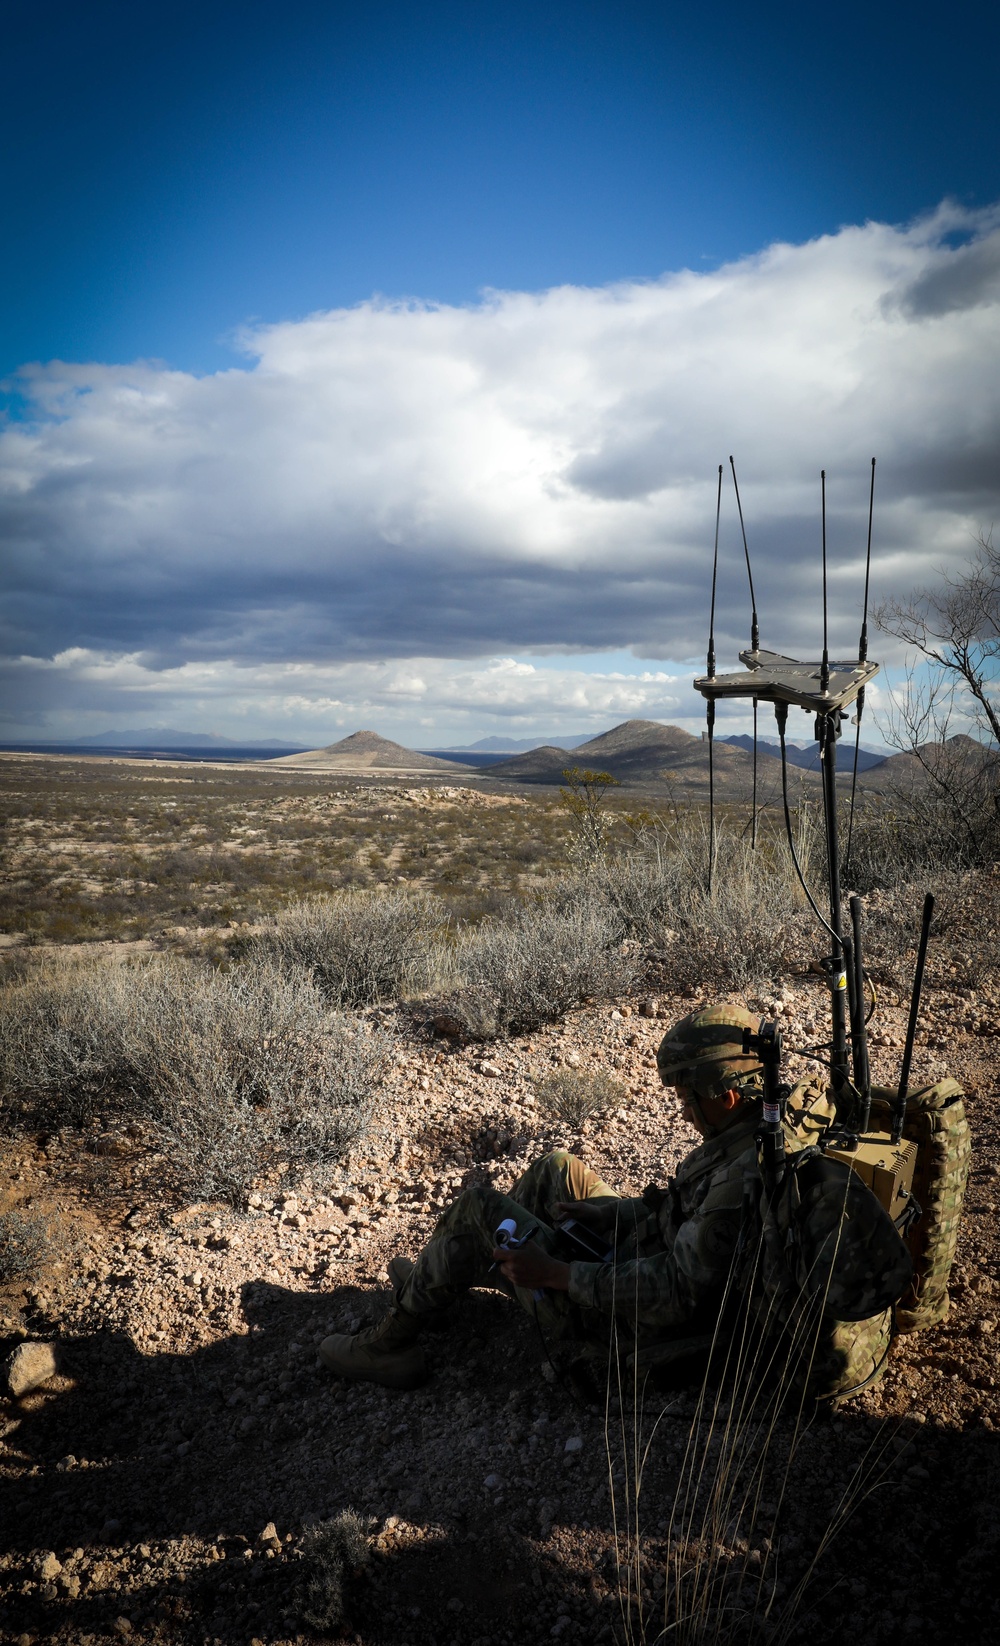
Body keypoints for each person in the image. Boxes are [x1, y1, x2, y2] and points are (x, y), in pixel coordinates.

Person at [319, 1003, 834, 1392]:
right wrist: (613, 1213)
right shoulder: (764, 1125)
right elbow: (686, 1207)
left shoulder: (740, 1178)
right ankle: (449, 1269)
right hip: (650, 1253)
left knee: (478, 1206)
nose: (683, 1111)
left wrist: (559, 1275)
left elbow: (678, 1294)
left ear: (724, 1096)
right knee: (556, 1170)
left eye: (687, 1099)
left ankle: (391, 1345)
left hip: (631, 1318)